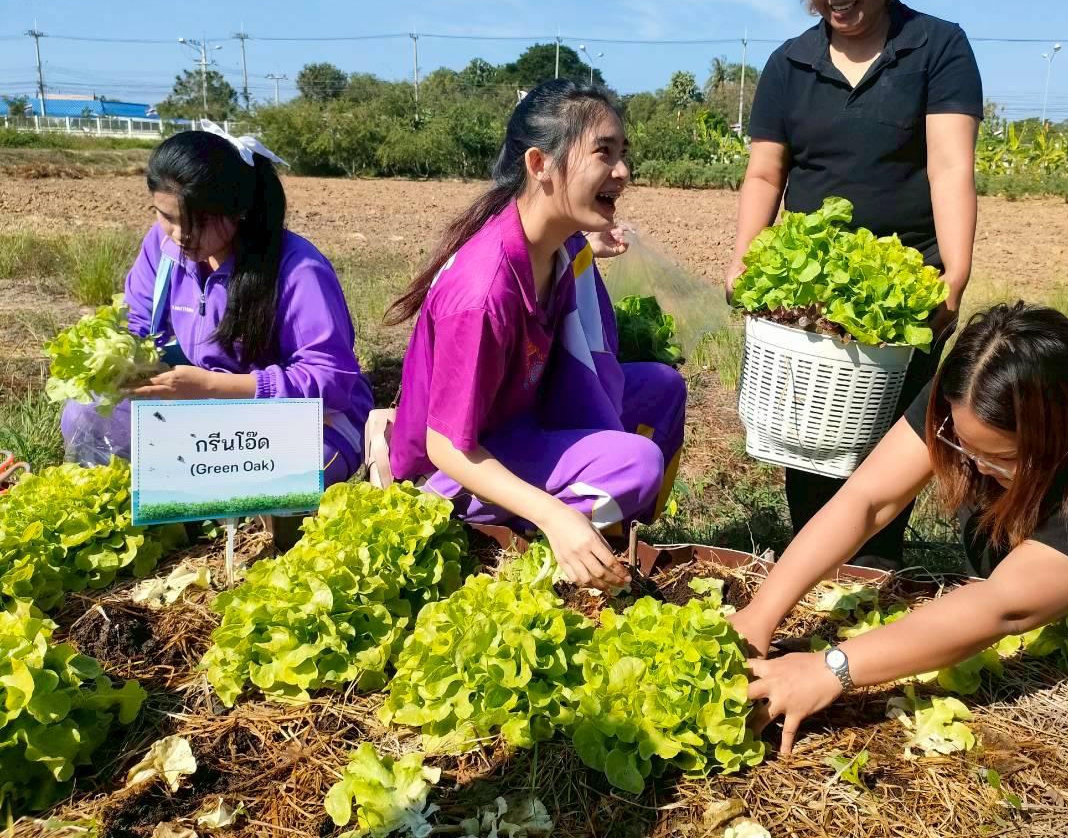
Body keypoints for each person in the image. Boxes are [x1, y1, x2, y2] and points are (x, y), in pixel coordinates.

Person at [732, 303, 1068, 754]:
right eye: (959, 445)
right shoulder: (990, 374)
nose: (968, 467)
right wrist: (762, 610)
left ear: (1064, 436)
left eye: (998, 457)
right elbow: (870, 498)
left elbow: (1009, 606)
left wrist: (832, 668)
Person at [726, 0, 983, 568]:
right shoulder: (789, 64)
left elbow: (951, 166)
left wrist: (952, 275)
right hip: (809, 300)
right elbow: (764, 176)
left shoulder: (937, 48)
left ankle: (876, 569)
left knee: (892, 443)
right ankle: (810, 562)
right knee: (810, 438)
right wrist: (745, 260)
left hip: (905, 286)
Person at [386, 79, 686, 591]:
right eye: (604, 153)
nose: (623, 172)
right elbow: (445, 445)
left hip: (522, 415)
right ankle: (536, 541)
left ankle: (605, 536)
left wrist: (589, 238)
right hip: (456, 465)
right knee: (636, 464)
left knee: (661, 387)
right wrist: (553, 515)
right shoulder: (482, 293)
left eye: (624, 153)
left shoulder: (556, 246)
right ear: (540, 165)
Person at [61, 124, 374, 500]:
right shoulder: (161, 249)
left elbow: (330, 382)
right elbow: (137, 324)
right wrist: (123, 363)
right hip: (203, 406)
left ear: (239, 210)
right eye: (167, 217)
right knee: (87, 414)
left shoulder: (297, 270)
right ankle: (183, 490)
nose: (180, 235)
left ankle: (194, 493)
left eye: (199, 221)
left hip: (301, 417)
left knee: (265, 475)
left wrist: (209, 386)